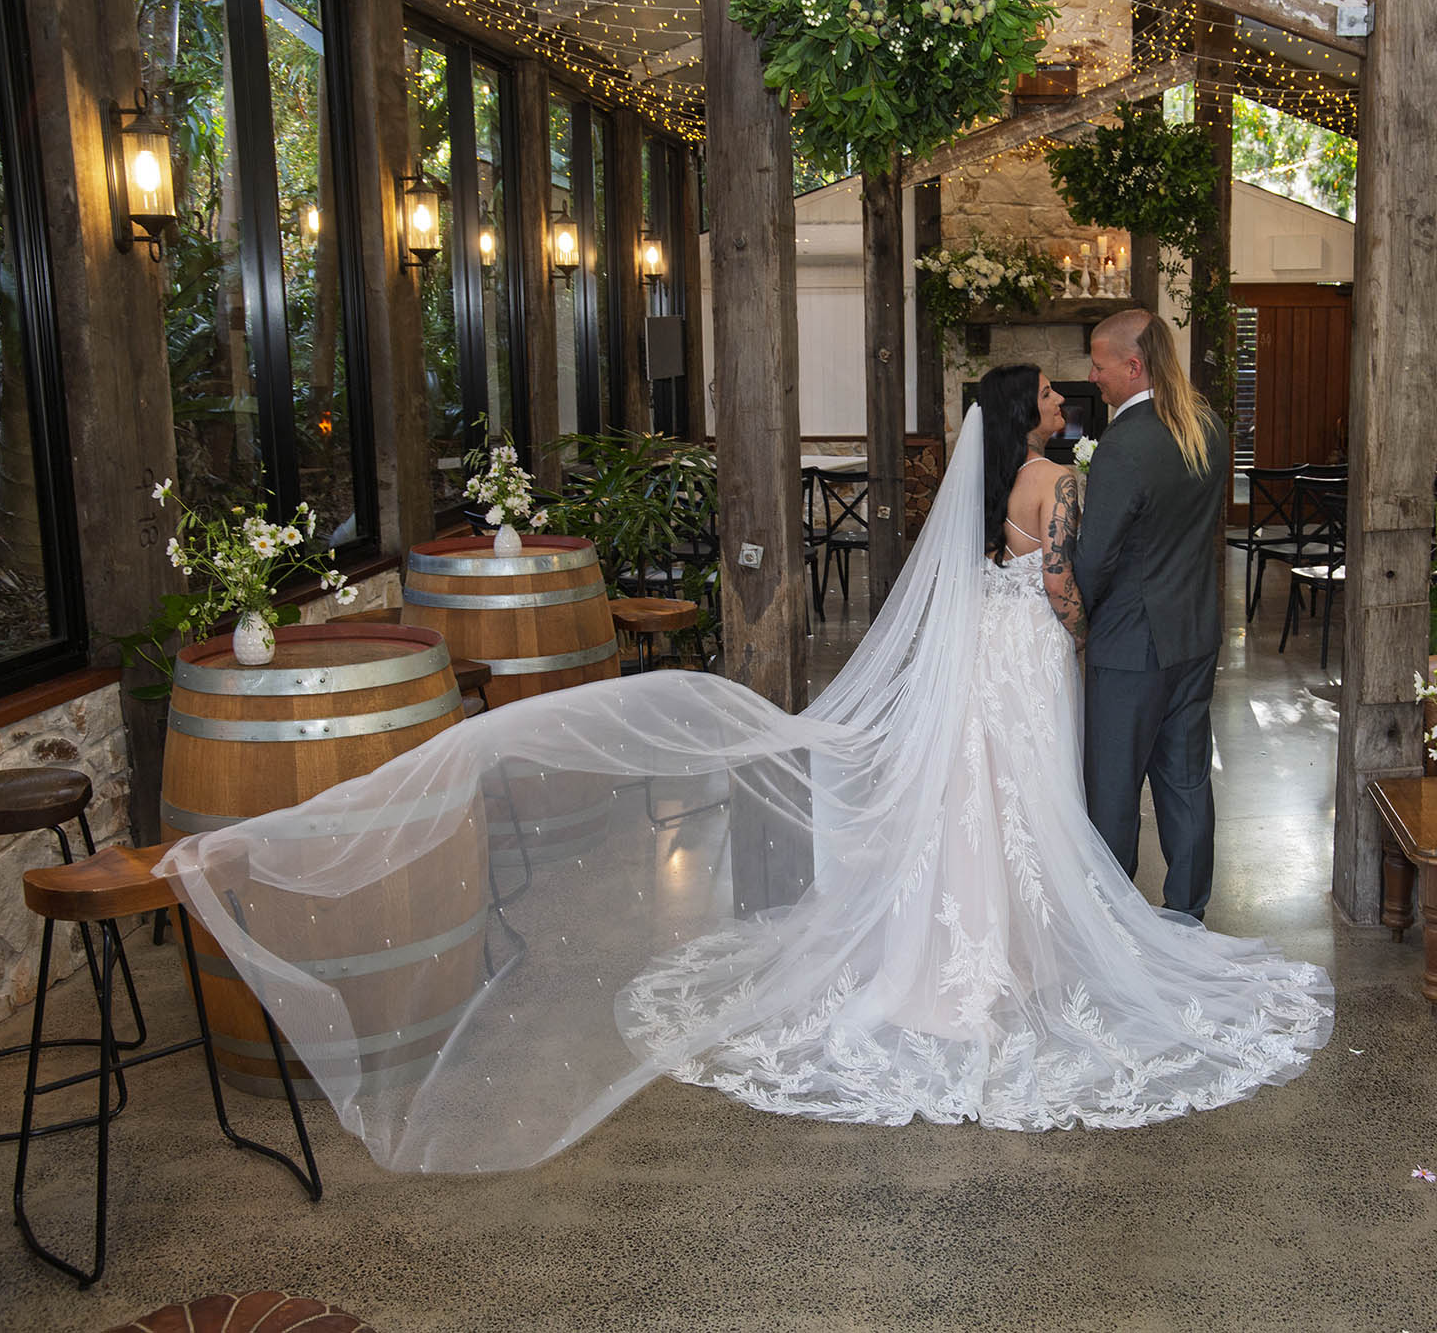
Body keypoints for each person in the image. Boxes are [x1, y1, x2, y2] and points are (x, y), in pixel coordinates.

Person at [162, 364, 1332, 1174]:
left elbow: (999, 563)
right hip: (1027, 649)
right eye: (1044, 396)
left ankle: (952, 960)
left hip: (985, 646)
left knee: (972, 797)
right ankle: (1021, 959)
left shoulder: (980, 485)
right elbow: (1064, 578)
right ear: (1022, 412)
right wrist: (1067, 619)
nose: (1058, 404)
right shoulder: (1053, 481)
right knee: (1018, 795)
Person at [1076, 309, 1226, 921]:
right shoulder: (1207, 427)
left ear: (1133, 366)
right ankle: (1187, 915)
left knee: (1114, 789)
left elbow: (1094, 557)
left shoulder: (1124, 443)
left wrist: (1076, 618)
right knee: (1186, 781)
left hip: (1129, 643)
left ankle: (1113, 923)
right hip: (1194, 631)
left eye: (1099, 365)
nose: (1093, 377)